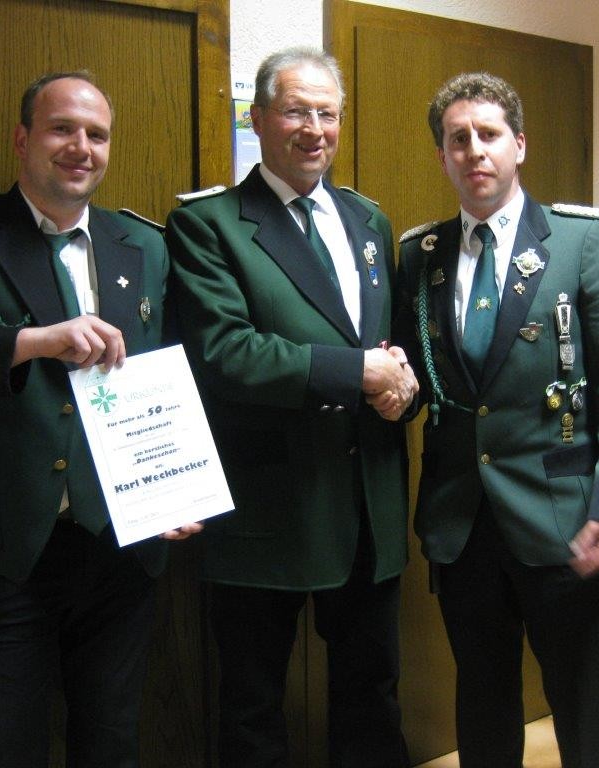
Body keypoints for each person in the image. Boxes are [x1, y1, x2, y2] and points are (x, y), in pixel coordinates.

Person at [0, 71, 199, 768]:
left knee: (111, 744)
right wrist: (32, 342)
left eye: (97, 134)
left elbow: (161, 378)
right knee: (10, 748)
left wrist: (172, 489)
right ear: (22, 139)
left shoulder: (142, 245)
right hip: (4, 543)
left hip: (118, 546)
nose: (81, 147)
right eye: (62, 129)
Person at [394, 72, 599, 768]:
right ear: (443, 156)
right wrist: (395, 390)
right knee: (482, 702)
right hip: (462, 521)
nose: (474, 151)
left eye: (488, 134)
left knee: (582, 703)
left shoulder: (579, 241)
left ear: (519, 145)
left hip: (564, 518)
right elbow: (417, 375)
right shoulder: (421, 256)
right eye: (458, 139)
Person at [165, 47, 416, 767]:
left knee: (373, 693)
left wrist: (401, 388)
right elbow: (225, 354)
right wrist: (359, 372)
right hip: (266, 506)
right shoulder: (210, 224)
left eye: (327, 113)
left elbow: (389, 343)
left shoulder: (369, 220)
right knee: (252, 707)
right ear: (257, 118)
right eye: (295, 111)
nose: (314, 129)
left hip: (366, 504)